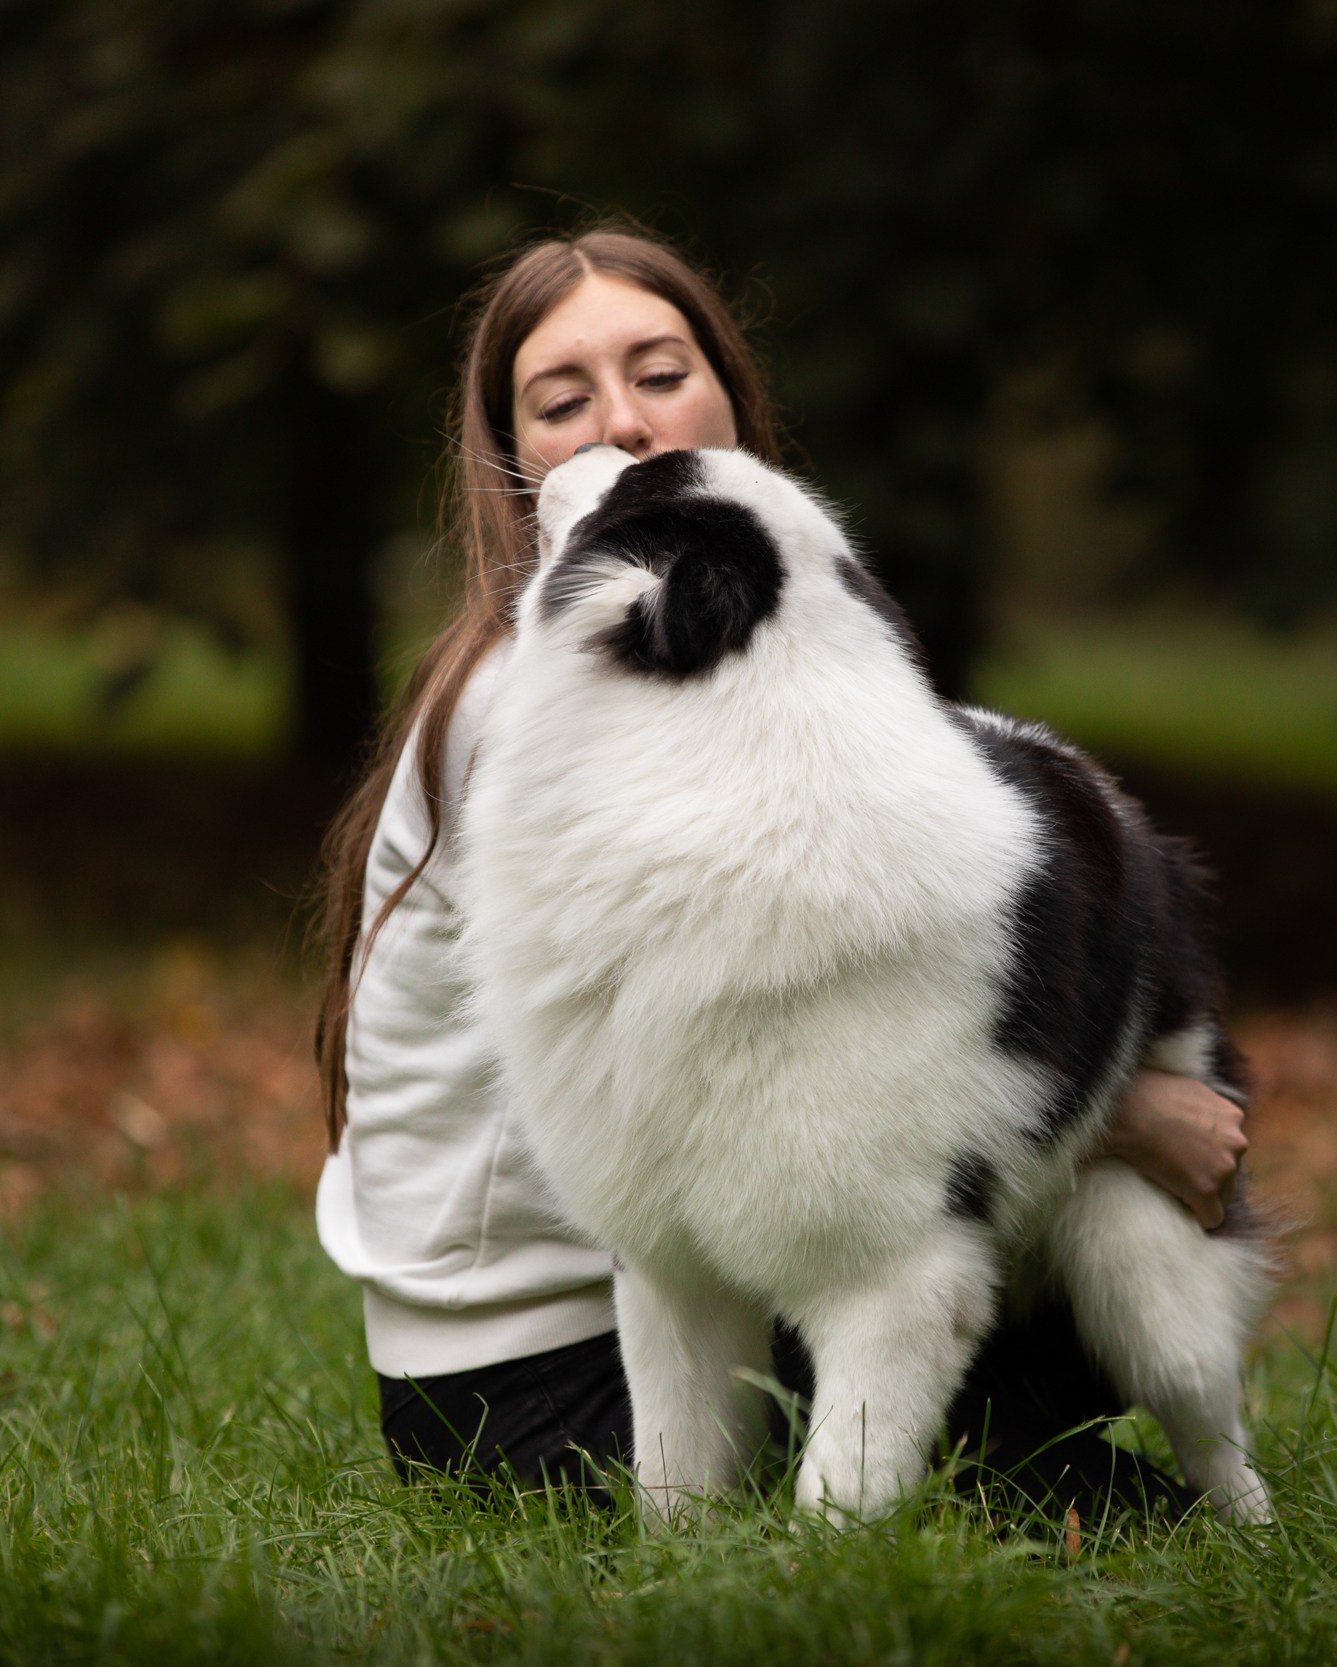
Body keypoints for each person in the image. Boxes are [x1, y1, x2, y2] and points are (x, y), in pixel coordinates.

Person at [312, 227, 1249, 1513]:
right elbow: (812, 993)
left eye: (659, 372)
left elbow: (926, 892)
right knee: (1013, 1396)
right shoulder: (533, 699)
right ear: (510, 460)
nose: (623, 425)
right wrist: (1119, 1111)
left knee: (1008, 1321)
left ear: (732, 401)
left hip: (711, 1247)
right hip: (526, 1365)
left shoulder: (743, 639)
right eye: (563, 400)